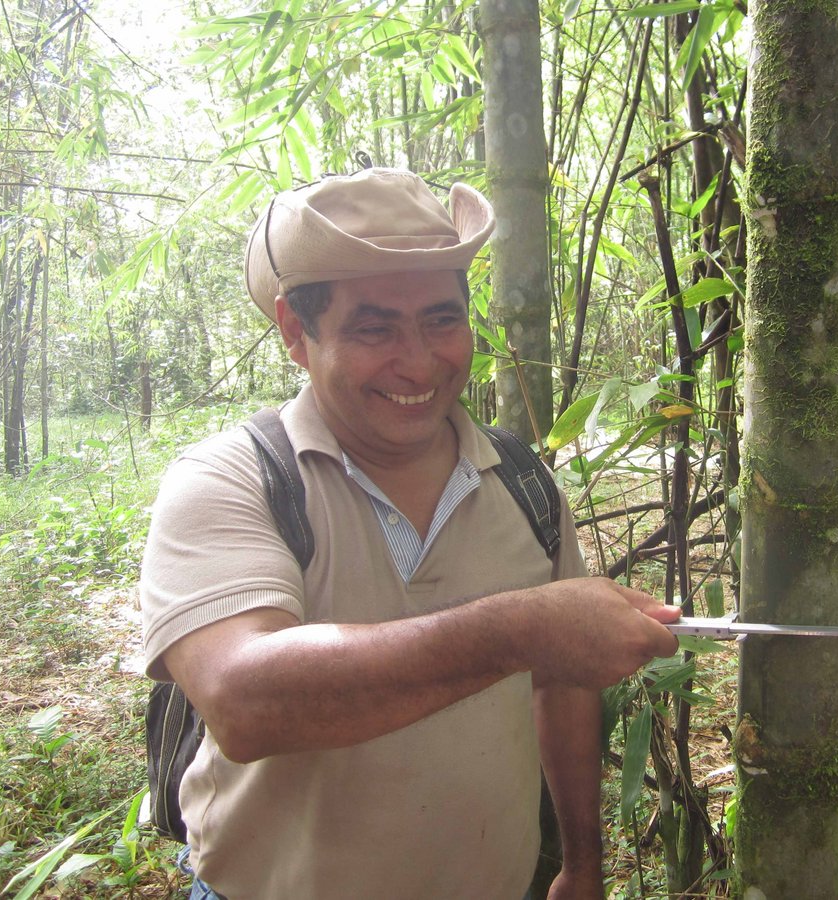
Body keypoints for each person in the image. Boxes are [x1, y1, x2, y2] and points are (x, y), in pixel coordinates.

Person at [140, 167, 681, 900]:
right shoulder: (233, 481)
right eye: (375, 329)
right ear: (296, 331)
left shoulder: (524, 484)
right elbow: (244, 701)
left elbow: (562, 686)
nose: (420, 360)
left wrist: (583, 863)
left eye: (441, 320)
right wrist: (520, 628)